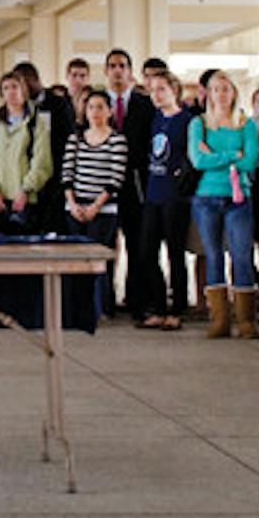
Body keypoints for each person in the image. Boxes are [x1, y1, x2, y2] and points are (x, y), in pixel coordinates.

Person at [188, 71, 259, 339]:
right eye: (215, 89)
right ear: (208, 93)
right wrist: (232, 155)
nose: (221, 94)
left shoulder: (246, 124)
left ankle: (246, 320)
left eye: (225, 88)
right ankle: (219, 320)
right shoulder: (199, 124)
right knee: (213, 255)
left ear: (234, 92)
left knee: (242, 255)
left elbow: (250, 161)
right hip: (206, 197)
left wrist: (216, 156)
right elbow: (197, 160)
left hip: (238, 198)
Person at [133, 70, 192, 330]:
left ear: (174, 91)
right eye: (153, 90)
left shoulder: (188, 120)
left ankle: (177, 309)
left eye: (162, 90)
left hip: (175, 197)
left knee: (175, 254)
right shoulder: (154, 119)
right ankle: (157, 305)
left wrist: (183, 179)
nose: (156, 95)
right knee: (146, 252)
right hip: (153, 194)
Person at [63, 90, 129, 319]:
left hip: (104, 210)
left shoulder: (117, 140)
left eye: (101, 107)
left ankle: (102, 308)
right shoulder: (76, 138)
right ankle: (77, 309)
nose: (95, 112)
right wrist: (72, 204)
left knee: (99, 260)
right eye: (91, 107)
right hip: (74, 208)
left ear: (110, 111)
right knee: (76, 261)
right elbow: (67, 175)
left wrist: (95, 207)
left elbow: (115, 179)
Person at [105, 49, 154, 321]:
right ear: (106, 71)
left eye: (122, 65)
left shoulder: (143, 104)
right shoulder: (97, 102)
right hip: (104, 183)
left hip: (134, 182)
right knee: (107, 243)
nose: (117, 70)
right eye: (112, 66)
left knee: (138, 243)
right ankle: (106, 301)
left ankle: (136, 298)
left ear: (129, 71)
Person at [0, 70, 52, 234]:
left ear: (23, 90)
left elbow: (42, 162)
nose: (11, 92)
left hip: (26, 200)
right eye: (6, 88)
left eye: (15, 87)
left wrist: (26, 190)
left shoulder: (36, 123)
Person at [18, 61, 74, 234]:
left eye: (21, 84)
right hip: (29, 177)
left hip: (54, 176)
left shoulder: (58, 103)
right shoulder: (20, 108)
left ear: (32, 80)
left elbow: (68, 137)